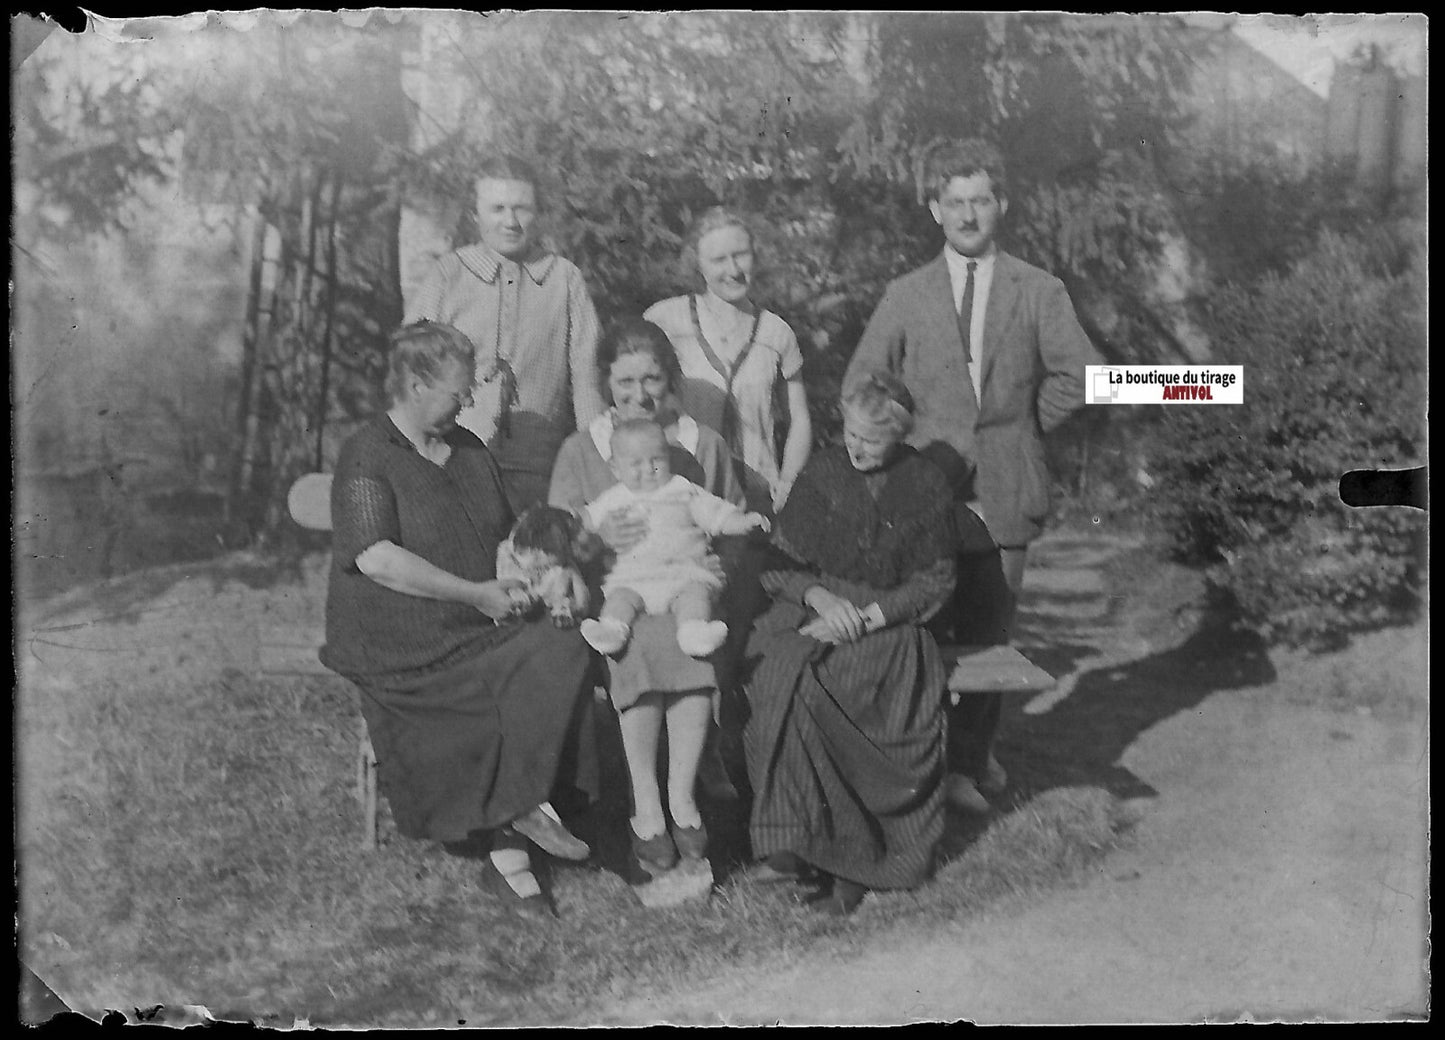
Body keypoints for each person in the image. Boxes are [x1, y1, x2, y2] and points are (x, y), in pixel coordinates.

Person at [845, 138, 1098, 814]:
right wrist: (900, 450)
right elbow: (862, 383)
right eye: (952, 202)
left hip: (1006, 484)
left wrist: (1020, 428)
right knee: (926, 624)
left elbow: (1078, 377)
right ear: (934, 209)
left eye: (979, 200)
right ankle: (920, 757)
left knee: (991, 631)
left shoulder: (1038, 289)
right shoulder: (905, 294)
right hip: (926, 488)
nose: (966, 214)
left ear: (1000, 205)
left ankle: (968, 757)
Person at [320, 320, 596, 918]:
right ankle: (515, 835)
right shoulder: (369, 454)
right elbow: (376, 558)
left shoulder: (468, 450)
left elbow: (508, 538)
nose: (469, 401)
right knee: (515, 671)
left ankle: (522, 804)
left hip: (481, 622)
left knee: (568, 644)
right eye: (458, 391)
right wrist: (475, 596)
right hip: (399, 644)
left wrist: (549, 577)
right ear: (416, 385)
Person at [744, 372, 957, 916]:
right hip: (815, 604)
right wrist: (819, 598)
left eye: (871, 439)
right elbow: (778, 562)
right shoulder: (824, 470)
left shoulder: (924, 483)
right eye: (851, 434)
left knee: (838, 688)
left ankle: (850, 855)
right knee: (781, 675)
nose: (856, 447)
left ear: (899, 436)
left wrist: (865, 618)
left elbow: (933, 581)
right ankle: (795, 843)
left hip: (888, 622)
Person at [549, 319, 745, 877]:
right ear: (606, 384)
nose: (640, 395)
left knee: (690, 643)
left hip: (690, 596)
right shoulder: (581, 450)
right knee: (634, 643)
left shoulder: (701, 445)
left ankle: (682, 799)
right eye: (626, 381)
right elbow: (558, 541)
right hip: (617, 598)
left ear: (671, 381)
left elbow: (730, 526)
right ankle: (647, 805)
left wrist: (714, 569)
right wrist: (594, 542)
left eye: (653, 379)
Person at [404, 153, 607, 511]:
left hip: (541, 468)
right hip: (454, 461)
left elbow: (587, 379)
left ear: (538, 214)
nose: (510, 221)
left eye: (522, 208)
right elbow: (411, 371)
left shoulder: (564, 278)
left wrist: (591, 462)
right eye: (497, 208)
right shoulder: (448, 274)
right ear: (475, 215)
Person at [644, 206, 812, 514]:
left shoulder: (776, 332)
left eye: (741, 254)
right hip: (683, 491)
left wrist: (788, 480)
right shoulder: (664, 320)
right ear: (698, 264)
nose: (733, 269)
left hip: (757, 494)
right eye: (719, 260)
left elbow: (799, 418)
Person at [580, 419, 770, 659]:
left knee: (696, 596)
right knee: (618, 599)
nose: (648, 469)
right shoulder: (612, 499)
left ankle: (694, 632)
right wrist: (590, 529)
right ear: (616, 468)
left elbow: (717, 515)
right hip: (633, 578)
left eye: (656, 460)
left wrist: (743, 522)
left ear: (667, 458)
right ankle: (612, 629)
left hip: (683, 574)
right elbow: (583, 522)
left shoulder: (682, 489)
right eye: (636, 464)